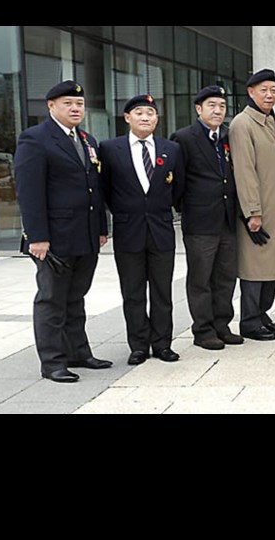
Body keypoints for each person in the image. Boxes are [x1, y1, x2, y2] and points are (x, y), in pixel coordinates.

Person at [14, 80, 110, 383]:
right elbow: (28, 192)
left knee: (76, 297)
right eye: (68, 103)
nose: (75, 108)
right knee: (51, 300)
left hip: (85, 235)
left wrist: (101, 229)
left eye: (79, 104)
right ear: (51, 106)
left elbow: (96, 188)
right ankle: (53, 362)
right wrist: (37, 236)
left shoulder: (88, 139)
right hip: (53, 238)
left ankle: (79, 352)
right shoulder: (35, 139)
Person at [99, 95, 182, 365]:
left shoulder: (171, 148)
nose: (145, 117)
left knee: (162, 292)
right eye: (138, 113)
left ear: (157, 118)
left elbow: (177, 189)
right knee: (133, 292)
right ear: (127, 118)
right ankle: (137, 345)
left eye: (150, 113)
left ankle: (162, 344)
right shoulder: (110, 149)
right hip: (128, 231)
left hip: (161, 231)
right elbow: (106, 191)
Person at [171, 85, 244, 350]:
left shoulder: (228, 135)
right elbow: (177, 181)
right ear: (198, 109)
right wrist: (185, 208)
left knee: (226, 276)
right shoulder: (184, 138)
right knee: (200, 278)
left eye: (222, 106)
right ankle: (203, 330)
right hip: (200, 221)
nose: (217, 111)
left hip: (227, 219)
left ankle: (222, 325)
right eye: (211, 106)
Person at [230, 68, 275, 341]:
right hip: (258, 211)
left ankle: (262, 313)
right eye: (263, 90)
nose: (269, 95)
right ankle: (249, 321)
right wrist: (252, 212)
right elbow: (244, 171)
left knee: (272, 265)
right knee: (254, 268)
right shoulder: (243, 124)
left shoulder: (272, 121)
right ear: (250, 92)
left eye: (273, 90)